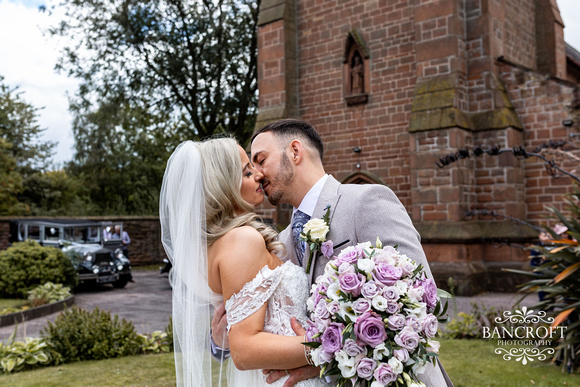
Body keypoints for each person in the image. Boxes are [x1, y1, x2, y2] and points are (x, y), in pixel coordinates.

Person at [212, 118, 453, 387]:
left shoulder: (367, 201)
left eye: (261, 160)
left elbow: (424, 299)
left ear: (294, 151)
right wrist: (220, 341)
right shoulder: (279, 243)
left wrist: (325, 359)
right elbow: (264, 326)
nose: (257, 174)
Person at [159, 138, 330, 387]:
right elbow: (244, 349)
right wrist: (329, 348)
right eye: (248, 172)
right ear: (225, 186)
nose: (259, 176)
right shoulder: (242, 240)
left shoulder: (219, 245)